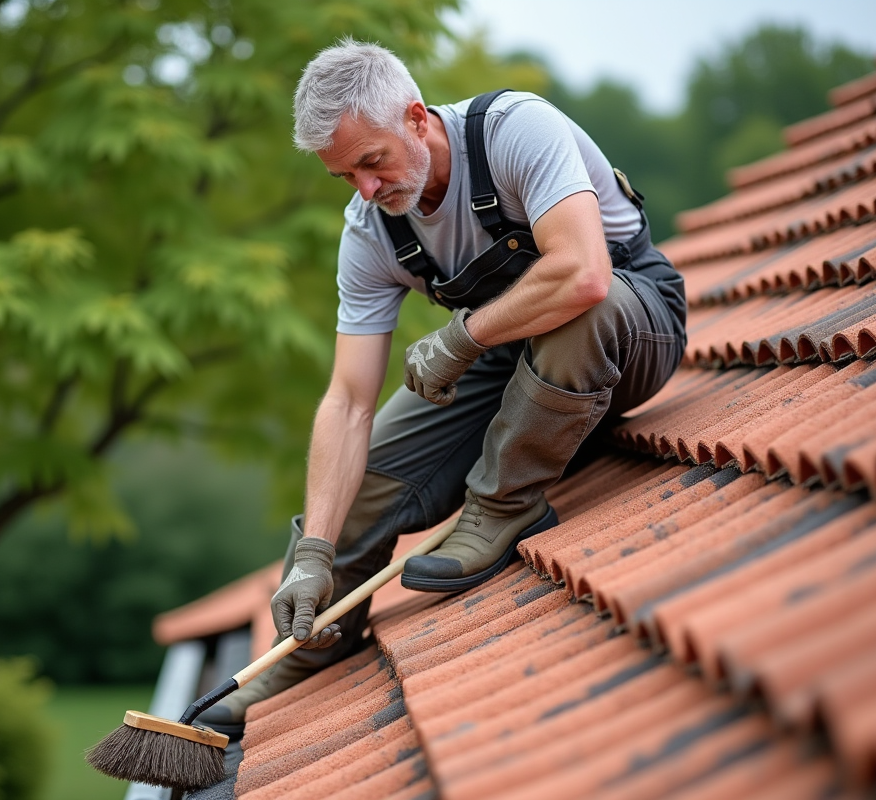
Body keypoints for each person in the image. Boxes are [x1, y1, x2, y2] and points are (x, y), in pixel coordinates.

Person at [198, 38, 686, 735]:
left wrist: (461, 338)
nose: (367, 190)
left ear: (418, 118)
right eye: (346, 177)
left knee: (588, 308)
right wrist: (314, 555)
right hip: (514, 357)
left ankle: (503, 503)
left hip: (634, 325)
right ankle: (306, 649)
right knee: (370, 473)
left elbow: (583, 272)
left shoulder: (515, 131)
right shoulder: (370, 230)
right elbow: (347, 401)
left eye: (373, 161)